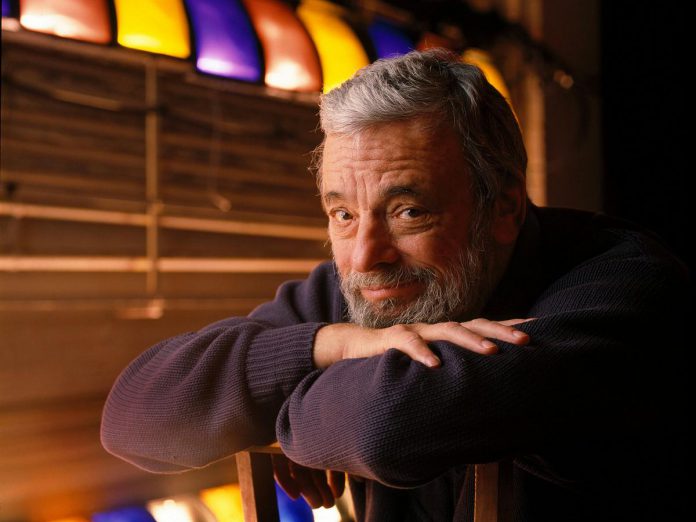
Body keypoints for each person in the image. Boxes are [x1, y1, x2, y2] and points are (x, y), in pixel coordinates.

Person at [101, 50, 688, 521]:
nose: (364, 257)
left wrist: (271, 407)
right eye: (343, 215)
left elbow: (386, 427)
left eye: (408, 211)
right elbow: (133, 419)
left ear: (503, 206)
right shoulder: (363, 292)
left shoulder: (627, 288)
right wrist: (330, 346)